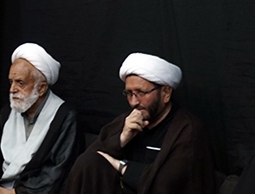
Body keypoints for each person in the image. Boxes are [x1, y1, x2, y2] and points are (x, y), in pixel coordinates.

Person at [65, 52, 215, 194]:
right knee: (88, 161)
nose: (133, 102)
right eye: (129, 93)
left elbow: (169, 184)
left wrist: (121, 166)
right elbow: (90, 161)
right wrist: (122, 139)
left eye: (141, 93)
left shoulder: (188, 129)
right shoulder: (127, 120)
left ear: (166, 93)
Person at [0, 43, 78, 194]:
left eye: (20, 83)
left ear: (41, 88)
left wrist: (15, 192)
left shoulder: (64, 117)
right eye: (11, 82)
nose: (12, 90)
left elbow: (58, 171)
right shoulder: (8, 112)